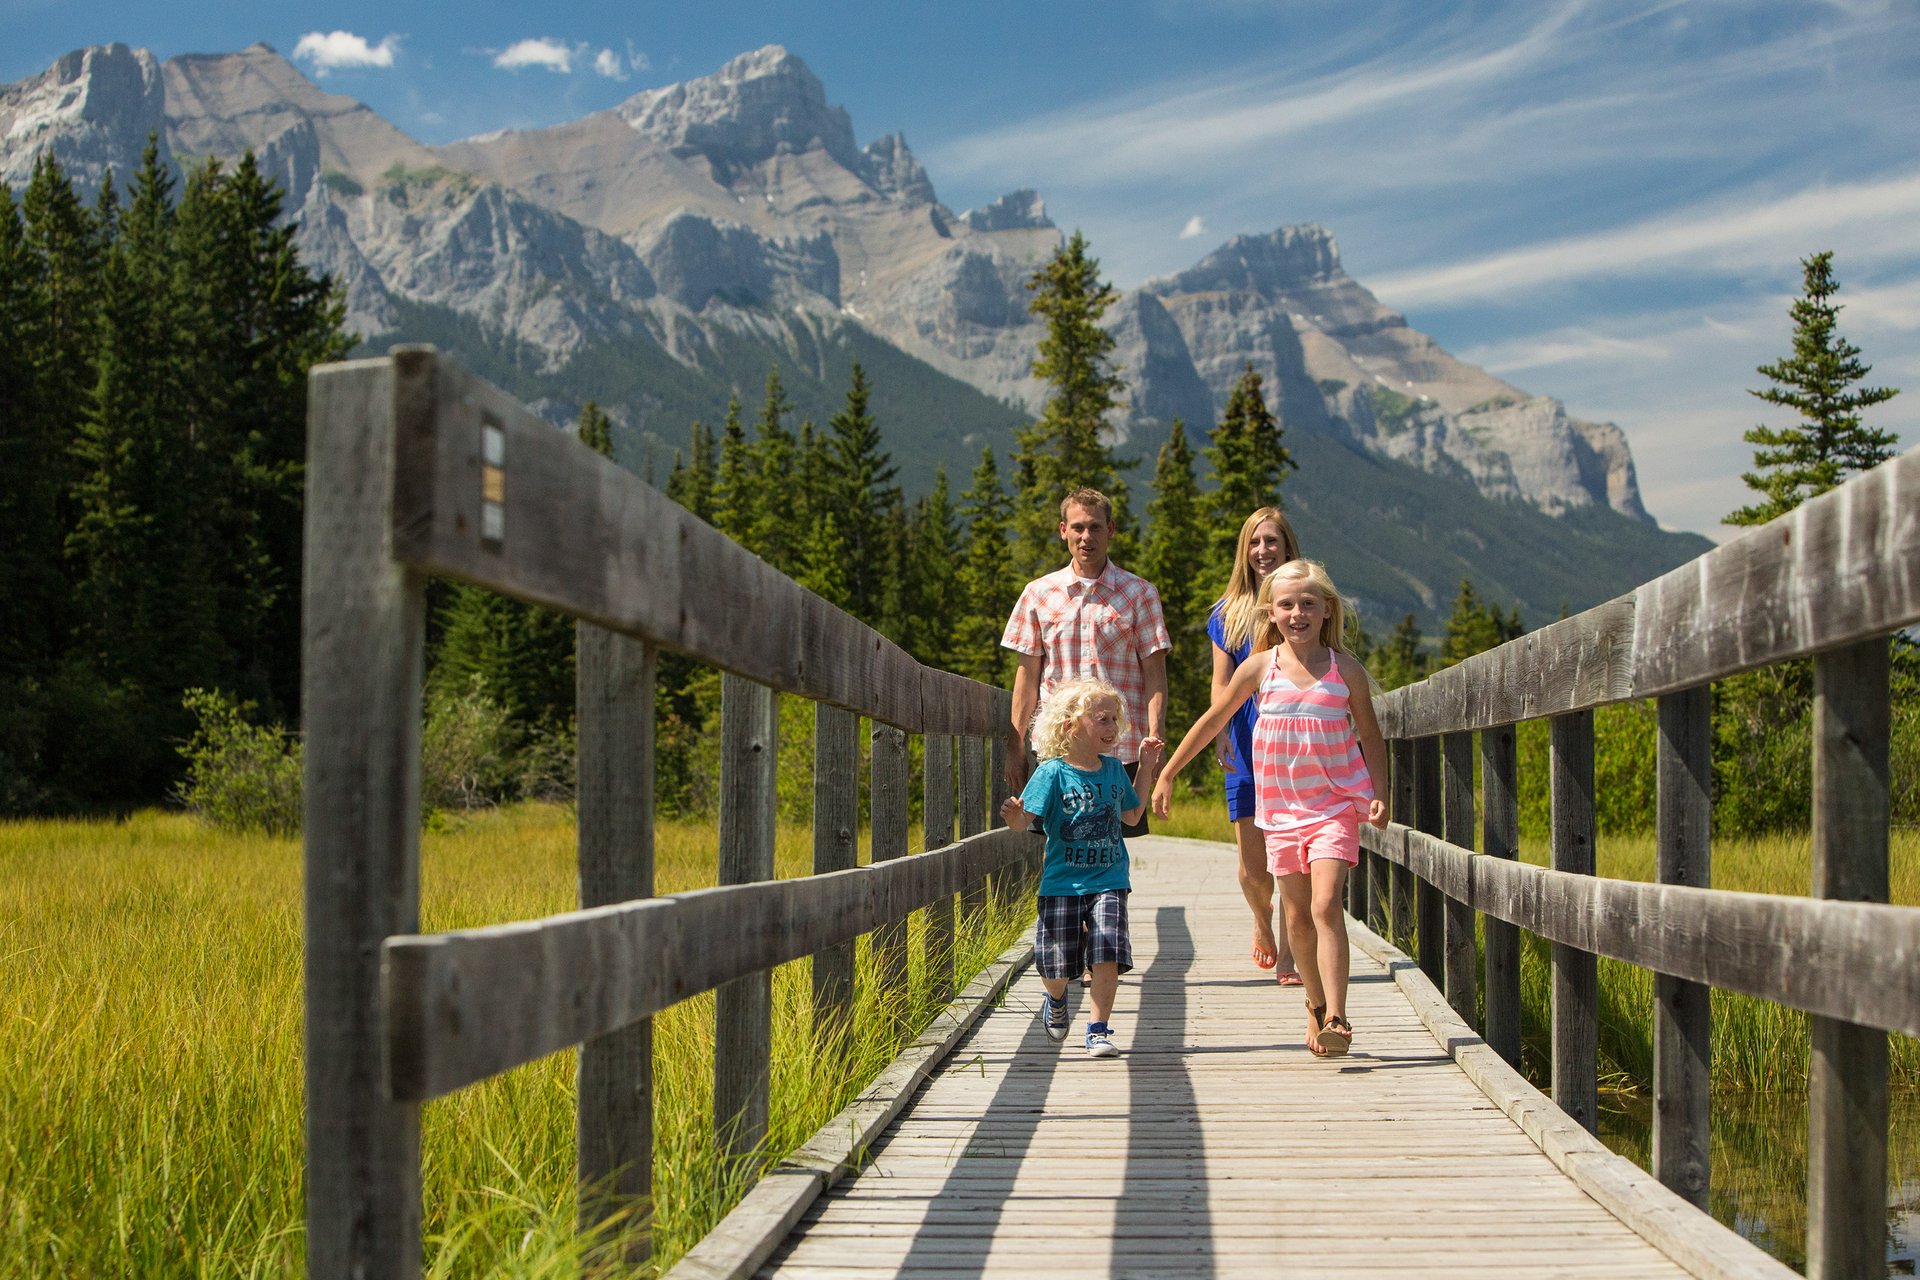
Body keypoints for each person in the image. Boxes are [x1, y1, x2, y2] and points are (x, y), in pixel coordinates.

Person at [1151, 560, 1387, 1058]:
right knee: (1297, 917)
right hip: (1280, 811)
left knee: (1325, 905)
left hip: (1335, 806)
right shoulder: (1260, 667)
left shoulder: (1346, 670)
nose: (1297, 613)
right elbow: (1215, 718)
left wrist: (1379, 791)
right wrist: (1168, 771)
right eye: (1286, 604)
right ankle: (1316, 1006)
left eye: (1308, 604)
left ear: (1327, 610)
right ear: (1271, 613)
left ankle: (1340, 1017)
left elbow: (1370, 734)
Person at [1000, 678, 1163, 1058]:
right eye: (1102, 719)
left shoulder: (1113, 770)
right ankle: (1057, 1000)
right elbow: (1025, 823)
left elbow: (1133, 814)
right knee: (1056, 967)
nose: (1112, 728)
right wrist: (1014, 815)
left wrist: (1148, 766)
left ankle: (1098, 1028)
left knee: (1107, 950)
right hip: (1062, 882)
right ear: (1070, 726)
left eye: (1115, 720)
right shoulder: (1052, 773)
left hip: (1110, 878)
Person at [1002, 488, 1170, 837]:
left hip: (1118, 748)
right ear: (1063, 530)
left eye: (1095, 527)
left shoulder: (1140, 593)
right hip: (1057, 748)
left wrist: (1156, 736)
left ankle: (1108, 896)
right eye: (1078, 527)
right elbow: (1026, 678)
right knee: (1057, 841)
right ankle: (1061, 896)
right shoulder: (1038, 594)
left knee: (1113, 844)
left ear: (1111, 529)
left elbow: (1155, 674)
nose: (1086, 537)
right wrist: (1015, 744)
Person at [1207, 507, 1304, 984]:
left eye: (1272, 541)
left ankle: (1291, 953)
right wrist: (1221, 729)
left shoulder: (1302, 601)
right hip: (1246, 740)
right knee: (1253, 862)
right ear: (1244, 551)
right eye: (1254, 542)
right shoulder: (1227, 614)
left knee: (1292, 852)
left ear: (1288, 547)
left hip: (1296, 744)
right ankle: (1262, 919)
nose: (1263, 551)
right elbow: (1220, 680)